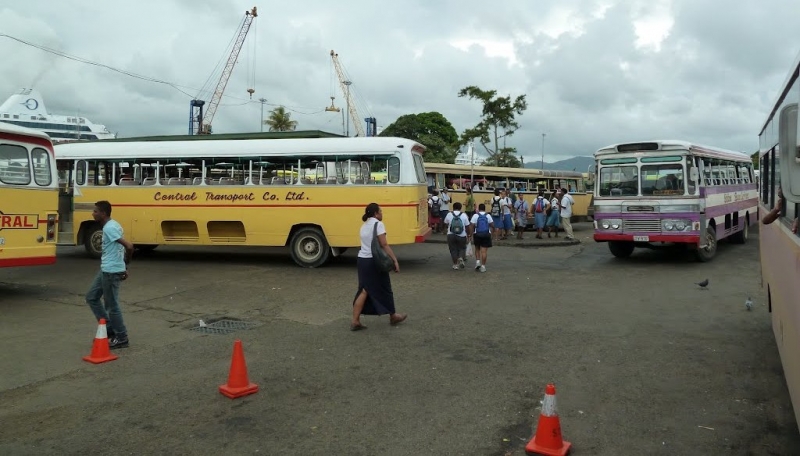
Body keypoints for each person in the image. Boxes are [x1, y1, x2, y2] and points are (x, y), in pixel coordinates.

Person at [85, 200, 134, 349]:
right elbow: (118, 249)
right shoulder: (113, 225)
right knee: (91, 297)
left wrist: (125, 265)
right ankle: (109, 328)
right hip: (107, 269)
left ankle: (121, 337)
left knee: (112, 306)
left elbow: (129, 246)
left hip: (111, 271)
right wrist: (123, 267)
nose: (93, 214)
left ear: (103, 213)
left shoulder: (109, 228)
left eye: (95, 211)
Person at [351, 203, 407, 331]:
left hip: (362, 260)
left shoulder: (364, 226)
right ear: (376, 213)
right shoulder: (378, 224)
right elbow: (384, 244)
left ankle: (356, 320)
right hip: (373, 261)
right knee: (383, 288)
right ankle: (393, 316)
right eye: (380, 211)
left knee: (365, 289)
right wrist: (395, 260)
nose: (382, 213)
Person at [444, 202, 470, 270]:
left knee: (453, 249)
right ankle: (461, 257)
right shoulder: (464, 215)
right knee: (462, 248)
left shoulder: (449, 214)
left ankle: (455, 265)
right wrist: (469, 234)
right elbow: (467, 226)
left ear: (453, 207)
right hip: (462, 235)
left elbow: (445, 223)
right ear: (460, 208)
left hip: (451, 234)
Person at [469, 203, 495, 273]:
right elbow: (492, 225)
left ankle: (477, 262)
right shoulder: (488, 215)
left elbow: (471, 225)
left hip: (477, 234)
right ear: (484, 208)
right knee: (484, 251)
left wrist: (470, 235)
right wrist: (492, 233)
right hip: (486, 234)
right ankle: (483, 266)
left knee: (477, 248)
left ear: (479, 209)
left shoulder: (475, 215)